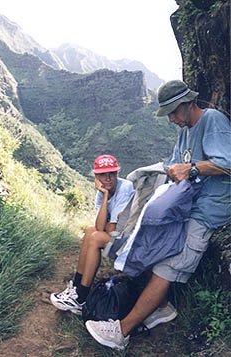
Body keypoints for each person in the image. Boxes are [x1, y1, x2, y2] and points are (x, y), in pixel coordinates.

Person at [85, 80, 231, 350]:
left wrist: (192, 169)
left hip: (206, 209)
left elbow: (227, 163)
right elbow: (174, 164)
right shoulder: (185, 131)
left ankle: (121, 332)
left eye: (174, 112)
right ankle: (161, 309)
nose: (172, 119)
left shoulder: (212, 121)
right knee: (154, 246)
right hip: (185, 206)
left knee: (169, 266)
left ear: (188, 104)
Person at [50, 154, 135, 315]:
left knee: (95, 237)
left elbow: (110, 230)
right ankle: (75, 289)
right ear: (96, 176)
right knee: (90, 231)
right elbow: (99, 225)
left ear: (117, 173)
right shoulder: (103, 190)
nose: (108, 178)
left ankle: (81, 298)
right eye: (102, 174)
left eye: (112, 173)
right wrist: (104, 195)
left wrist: (105, 224)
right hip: (117, 234)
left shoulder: (125, 187)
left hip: (129, 239)